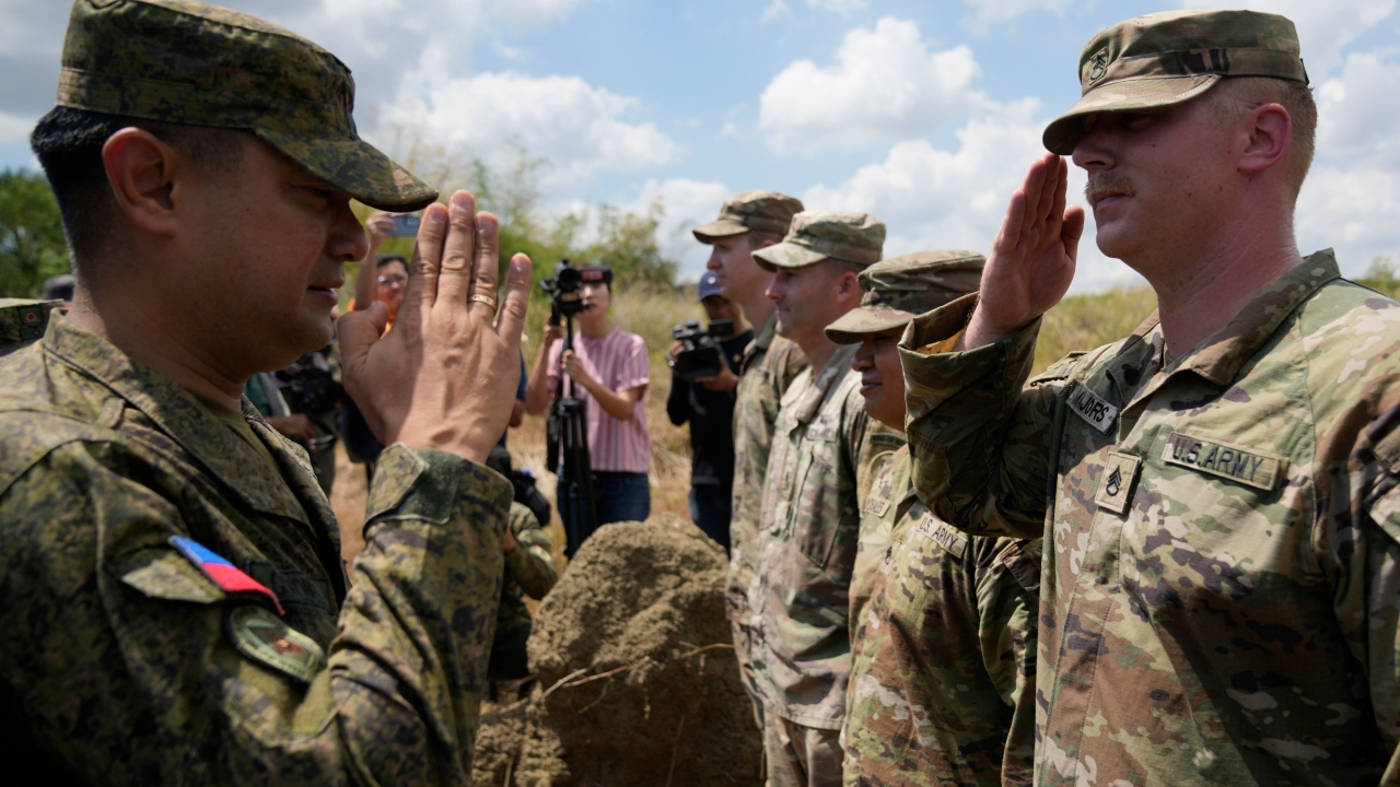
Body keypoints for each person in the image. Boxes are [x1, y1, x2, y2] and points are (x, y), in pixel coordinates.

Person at [0, 1, 531, 782]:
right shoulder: (60, 469)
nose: (352, 240)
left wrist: (428, 458)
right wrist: (438, 452)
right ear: (152, 183)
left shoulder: (209, 419)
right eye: (314, 192)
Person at [899, 10, 1400, 784]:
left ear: (1261, 137)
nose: (1089, 154)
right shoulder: (1112, 380)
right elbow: (963, 485)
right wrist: (998, 321)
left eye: (1136, 119)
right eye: (1086, 130)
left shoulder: (1370, 390)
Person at [824, 251, 1041, 786]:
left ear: (948, 345)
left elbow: (1038, 730)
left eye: (882, 340)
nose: (858, 362)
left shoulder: (1003, 505)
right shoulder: (892, 470)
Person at [745, 210, 903, 786]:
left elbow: (883, 572)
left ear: (846, 286)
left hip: (836, 703)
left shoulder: (868, 399)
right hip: (786, 687)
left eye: (790, 276)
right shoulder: (799, 388)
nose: (772, 290)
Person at [692, 189, 806, 741]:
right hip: (759, 592)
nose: (711, 262)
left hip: (791, 606)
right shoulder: (765, 348)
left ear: (769, 249)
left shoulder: (797, 353)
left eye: (724, 248)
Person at [524, 265, 650, 556]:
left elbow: (624, 409)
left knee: (621, 563)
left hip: (623, 478)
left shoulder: (631, 346)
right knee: (581, 560)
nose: (588, 294)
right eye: (580, 288)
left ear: (610, 296)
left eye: (596, 287)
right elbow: (533, 405)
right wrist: (547, 344)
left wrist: (585, 379)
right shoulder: (562, 347)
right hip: (574, 475)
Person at [666, 270, 752, 552]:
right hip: (707, 479)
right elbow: (676, 415)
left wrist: (732, 385)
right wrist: (678, 371)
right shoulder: (697, 349)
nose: (720, 310)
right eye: (712, 304)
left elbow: (772, 408)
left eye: (726, 301)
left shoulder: (755, 346)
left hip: (747, 475)